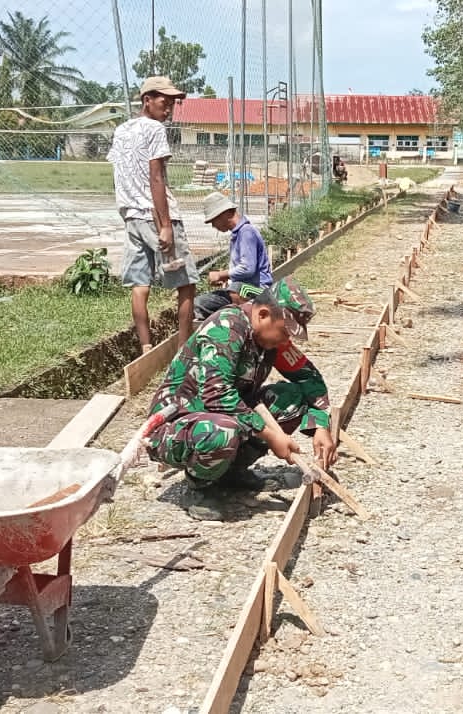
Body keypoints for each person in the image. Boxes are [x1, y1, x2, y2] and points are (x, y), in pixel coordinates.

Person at [144, 277, 336, 520]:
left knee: (292, 398)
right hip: (178, 427)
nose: (286, 341)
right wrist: (271, 435)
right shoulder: (226, 329)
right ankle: (199, 486)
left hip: (229, 417)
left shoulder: (269, 340)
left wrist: (321, 424)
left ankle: (230, 472)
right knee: (222, 430)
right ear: (264, 314)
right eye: (285, 332)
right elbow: (218, 396)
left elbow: (309, 379)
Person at [108, 75, 197, 352]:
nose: (169, 108)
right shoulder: (155, 129)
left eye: (172, 103)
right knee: (186, 283)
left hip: (132, 217)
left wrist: (128, 210)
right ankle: (184, 349)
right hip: (155, 215)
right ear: (147, 100)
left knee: (140, 283)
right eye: (164, 102)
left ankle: (146, 348)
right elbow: (156, 177)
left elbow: (119, 174)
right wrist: (166, 225)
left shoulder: (121, 130)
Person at [193, 191, 273, 321]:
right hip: (247, 289)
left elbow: (248, 268)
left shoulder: (246, 232)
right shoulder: (239, 234)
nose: (214, 226)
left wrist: (221, 274)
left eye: (214, 220)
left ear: (224, 214)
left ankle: (237, 315)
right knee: (204, 301)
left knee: (204, 302)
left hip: (259, 291)